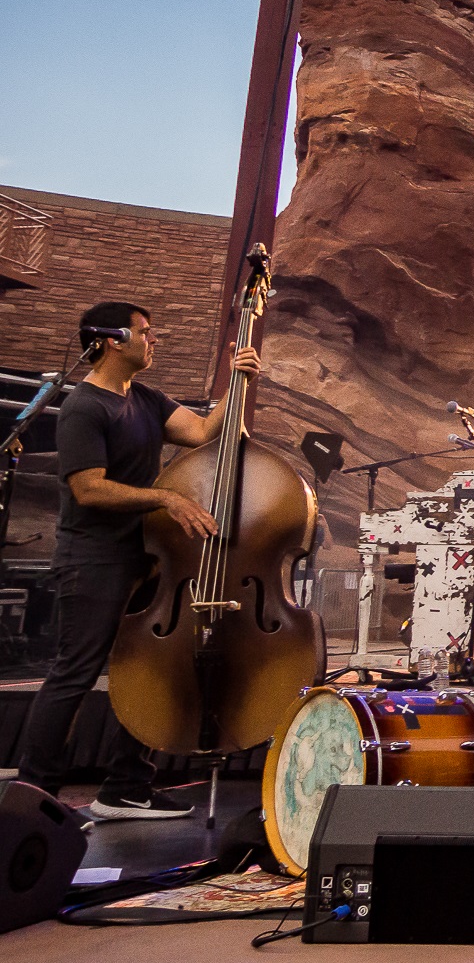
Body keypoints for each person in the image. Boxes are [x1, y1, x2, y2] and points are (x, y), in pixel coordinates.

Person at [16, 302, 261, 820]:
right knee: (74, 676)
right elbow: (88, 489)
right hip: (93, 560)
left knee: (146, 671)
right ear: (111, 340)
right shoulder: (85, 406)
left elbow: (200, 432)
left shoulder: (145, 398)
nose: (154, 341)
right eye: (146, 333)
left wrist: (236, 384)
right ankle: (31, 799)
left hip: (146, 559)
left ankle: (126, 786)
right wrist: (165, 498)